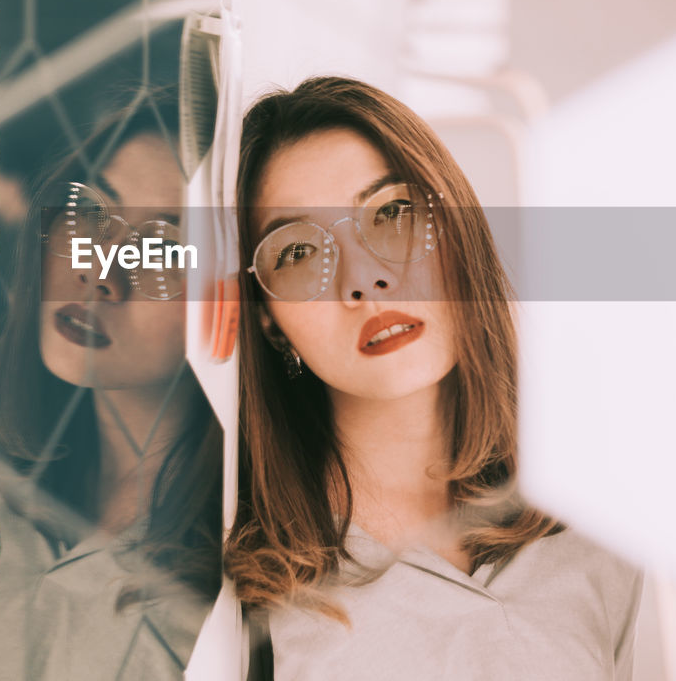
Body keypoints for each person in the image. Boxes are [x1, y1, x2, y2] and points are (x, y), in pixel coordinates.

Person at [225, 76, 642, 679]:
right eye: (298, 253)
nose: (364, 280)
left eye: (391, 213)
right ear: (268, 320)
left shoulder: (594, 529)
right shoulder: (251, 586)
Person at [0, 105, 223, 680]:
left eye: (164, 252)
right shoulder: (24, 489)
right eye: (91, 212)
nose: (101, 273)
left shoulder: (234, 578)